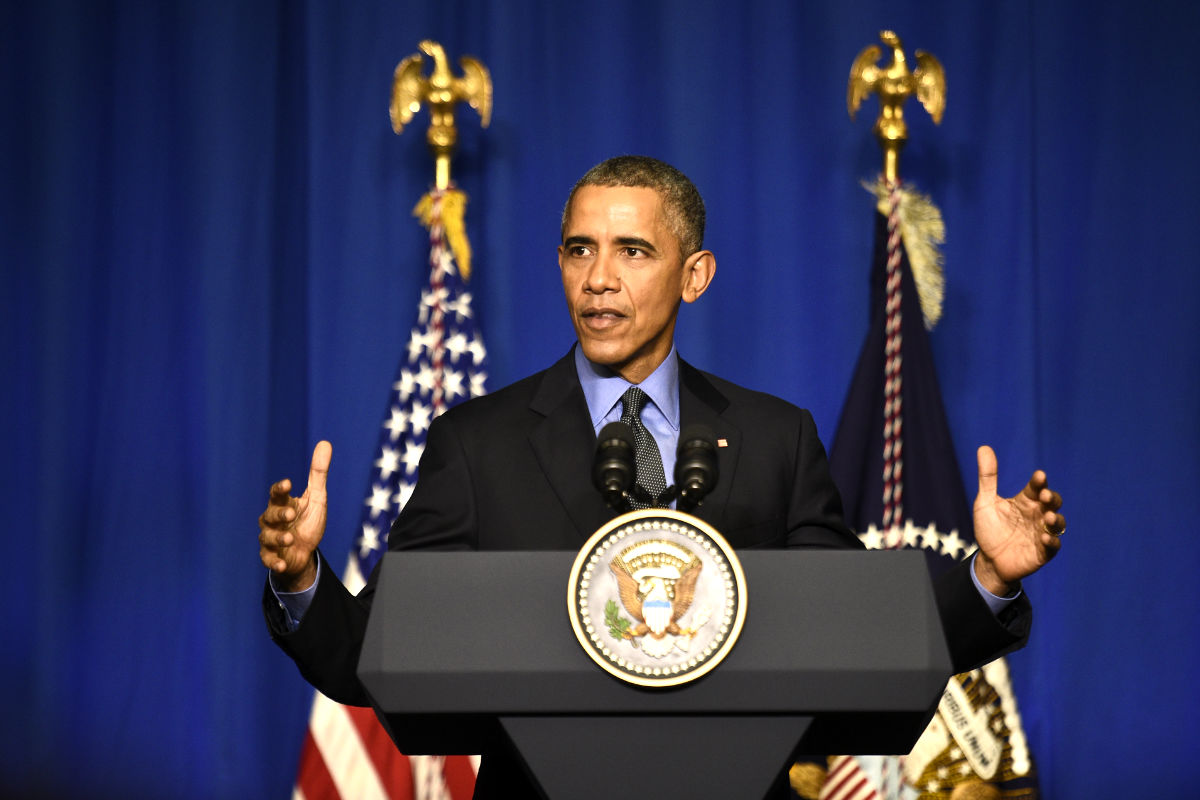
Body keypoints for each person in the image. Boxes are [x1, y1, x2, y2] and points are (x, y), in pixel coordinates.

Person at [259, 156, 1065, 797]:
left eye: (632, 250)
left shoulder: (774, 437)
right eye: (580, 249)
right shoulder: (477, 442)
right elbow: (377, 648)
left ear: (695, 274)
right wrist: (302, 582)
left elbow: (857, 637)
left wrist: (987, 580)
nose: (598, 278)